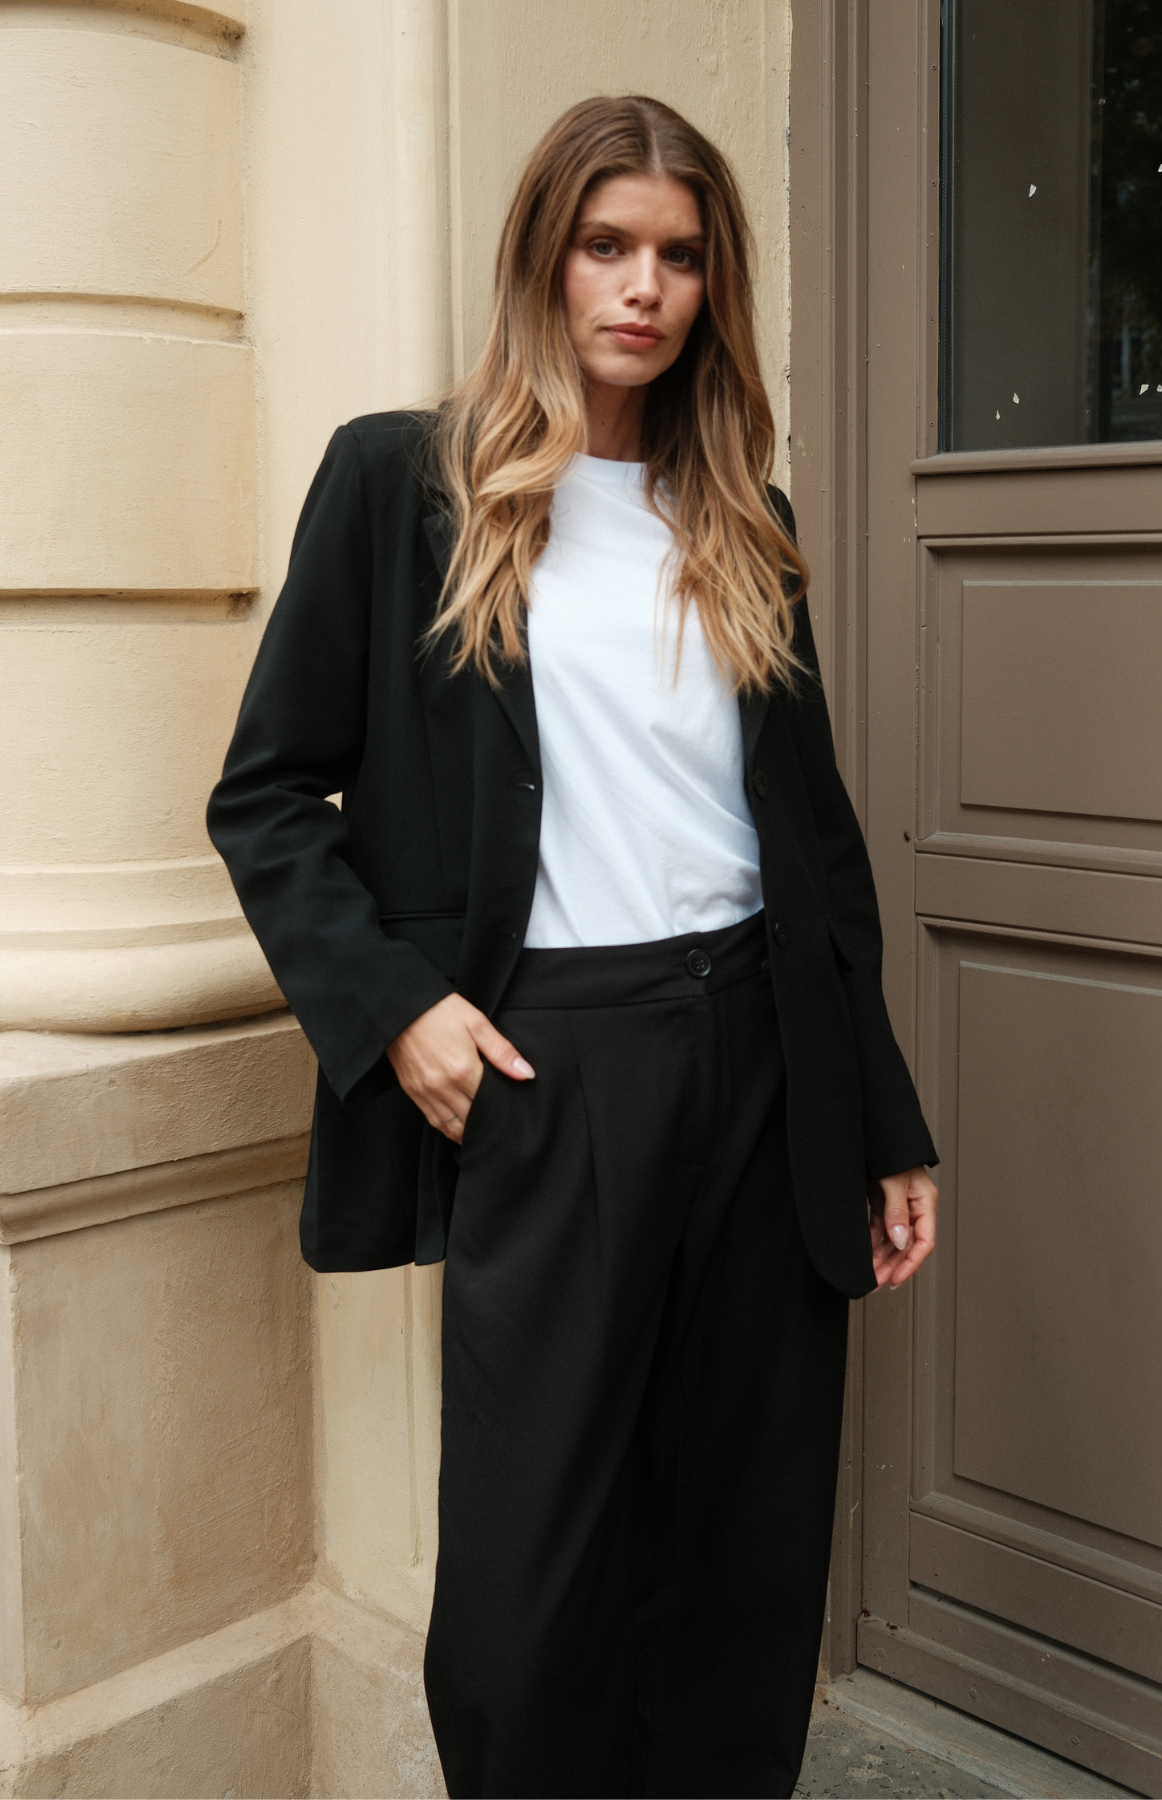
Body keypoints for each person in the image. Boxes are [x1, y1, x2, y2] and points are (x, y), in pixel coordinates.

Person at [209, 94, 937, 1800]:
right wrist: (399, 1009)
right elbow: (266, 795)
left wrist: (882, 1118)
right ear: (544, 258)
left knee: (742, 1547)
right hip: (553, 1067)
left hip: (763, 1061)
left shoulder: (739, 510)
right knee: (531, 1576)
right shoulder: (405, 485)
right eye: (607, 246)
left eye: (679, 256)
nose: (644, 288)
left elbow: (817, 853)